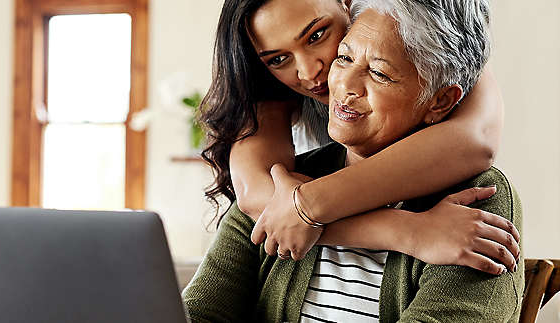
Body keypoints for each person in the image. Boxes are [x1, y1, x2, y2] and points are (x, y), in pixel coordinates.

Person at [184, 0, 523, 321]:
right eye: (343, 59)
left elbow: (474, 140)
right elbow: (263, 204)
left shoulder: (476, 198)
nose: (322, 76)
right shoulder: (285, 170)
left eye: (379, 73)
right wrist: (407, 231)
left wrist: (306, 207)